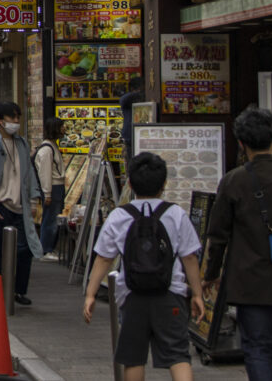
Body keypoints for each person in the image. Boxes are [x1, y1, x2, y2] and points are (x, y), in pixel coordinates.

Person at [84, 152, 204, 381]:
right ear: (164, 184)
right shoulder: (176, 214)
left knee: (133, 358)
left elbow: (103, 259)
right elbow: (190, 258)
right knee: (179, 356)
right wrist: (197, 293)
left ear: (129, 183)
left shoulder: (119, 215)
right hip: (171, 294)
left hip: (131, 295)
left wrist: (90, 294)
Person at [204, 107, 272, 379]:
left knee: (258, 348)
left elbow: (218, 236)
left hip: (250, 282)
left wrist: (211, 275)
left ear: (241, 143)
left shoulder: (234, 181)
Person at [0, 102, 43, 304]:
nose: (16, 122)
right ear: (0, 121)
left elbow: (28, 174)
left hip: (20, 206)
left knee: (25, 250)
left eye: (18, 117)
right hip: (0, 206)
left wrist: (34, 200)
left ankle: (17, 290)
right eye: (12, 118)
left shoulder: (22, 144)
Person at [34, 117, 66, 260]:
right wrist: (47, 193)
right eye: (61, 127)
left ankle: (48, 248)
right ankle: (46, 249)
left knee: (52, 217)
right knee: (50, 219)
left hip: (55, 187)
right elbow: (45, 173)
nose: (64, 130)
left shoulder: (51, 147)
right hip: (53, 187)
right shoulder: (47, 150)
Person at [119, 76, 145, 166]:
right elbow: (122, 100)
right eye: (140, 88)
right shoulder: (128, 102)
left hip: (142, 137)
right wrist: (137, 93)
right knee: (132, 165)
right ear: (133, 89)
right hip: (130, 138)